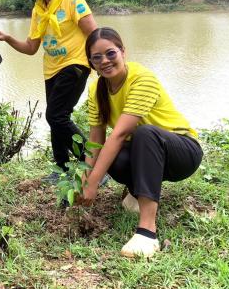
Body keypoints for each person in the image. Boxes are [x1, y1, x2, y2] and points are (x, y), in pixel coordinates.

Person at [79, 27, 203, 258]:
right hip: (145, 153)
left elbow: (118, 134)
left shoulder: (142, 78)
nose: (105, 61)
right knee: (112, 154)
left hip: (183, 151)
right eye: (97, 57)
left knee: (144, 133)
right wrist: (85, 178)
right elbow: (96, 138)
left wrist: (94, 182)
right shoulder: (96, 88)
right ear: (91, 62)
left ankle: (147, 232)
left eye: (110, 53)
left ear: (123, 51)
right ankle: (138, 193)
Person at [0, 0, 97, 181]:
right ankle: (61, 168)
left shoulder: (72, 0)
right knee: (56, 118)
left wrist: (101, 62)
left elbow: (94, 33)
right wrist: (6, 37)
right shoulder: (38, 11)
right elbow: (31, 47)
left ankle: (93, 165)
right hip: (51, 69)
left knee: (56, 116)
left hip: (75, 64)